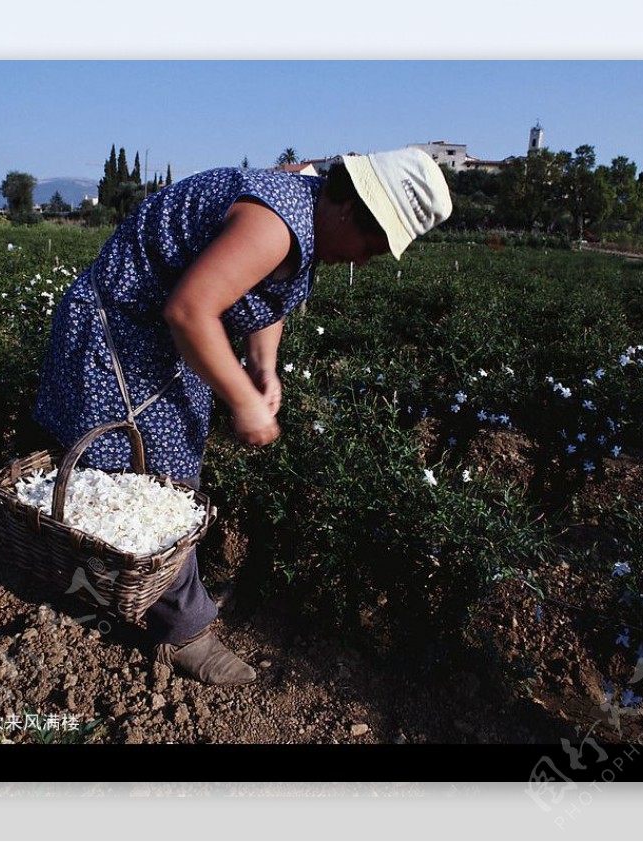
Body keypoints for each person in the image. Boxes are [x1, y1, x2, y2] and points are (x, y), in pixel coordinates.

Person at [35, 147, 452, 685]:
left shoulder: (304, 214)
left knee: (156, 473)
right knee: (157, 482)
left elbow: (259, 294)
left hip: (159, 338)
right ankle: (184, 632)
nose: (366, 260)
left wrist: (263, 367)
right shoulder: (275, 221)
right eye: (372, 244)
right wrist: (243, 401)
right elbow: (189, 310)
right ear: (350, 211)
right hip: (121, 331)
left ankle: (111, 588)